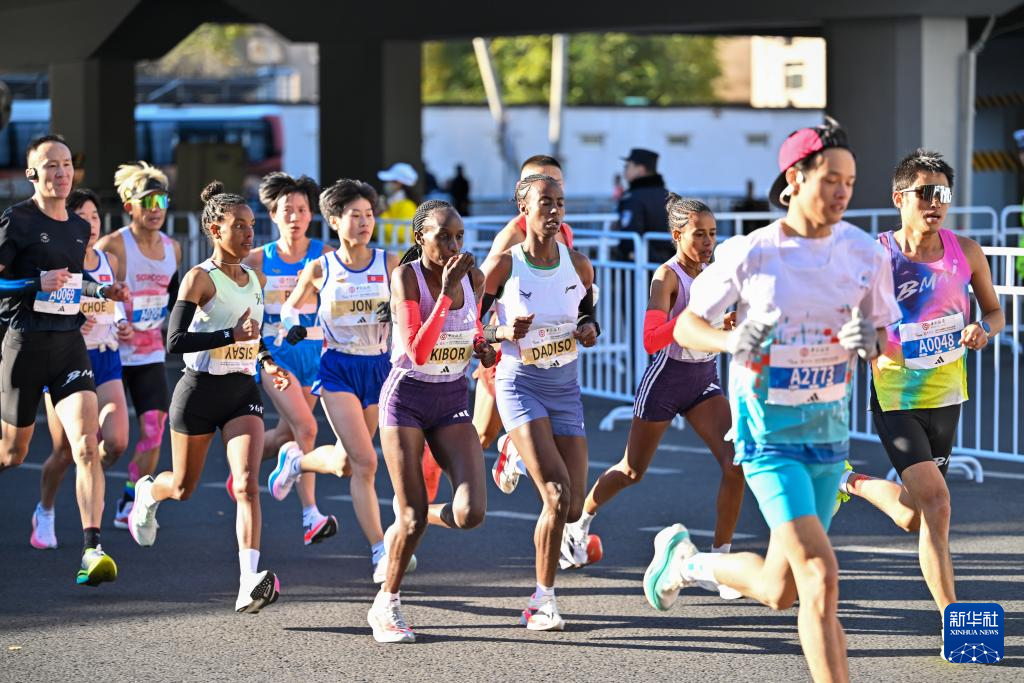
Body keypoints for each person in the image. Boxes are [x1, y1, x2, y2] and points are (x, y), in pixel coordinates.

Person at [641, 120, 900, 682]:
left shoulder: (864, 253)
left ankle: (688, 562)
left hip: (828, 436)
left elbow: (886, 337)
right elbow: (685, 326)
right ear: (795, 179)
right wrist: (733, 341)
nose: (842, 192)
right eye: (831, 180)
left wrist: (872, 341)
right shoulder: (752, 253)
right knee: (820, 576)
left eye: (850, 182)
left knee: (781, 589)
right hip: (768, 436)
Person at [834, 151, 1003, 629]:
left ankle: (848, 482)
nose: (936, 202)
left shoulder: (966, 252)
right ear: (899, 198)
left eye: (943, 193)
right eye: (925, 192)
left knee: (914, 514)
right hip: (896, 399)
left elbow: (994, 312)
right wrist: (873, 344)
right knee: (939, 504)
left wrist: (983, 330)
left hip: (947, 398)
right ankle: (954, 619)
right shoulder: (875, 256)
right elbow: (852, 322)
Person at [560, 196, 745, 586]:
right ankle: (578, 523)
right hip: (666, 380)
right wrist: (688, 323)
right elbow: (650, 339)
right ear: (677, 236)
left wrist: (725, 323)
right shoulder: (666, 277)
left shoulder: (713, 273)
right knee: (631, 470)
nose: (708, 242)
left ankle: (720, 563)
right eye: (699, 234)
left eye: (713, 233)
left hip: (703, 379)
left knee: (736, 464)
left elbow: (711, 324)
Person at [128, 181, 289, 613]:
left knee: (247, 484)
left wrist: (268, 360)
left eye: (251, 225)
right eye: (239, 226)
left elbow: (253, 333)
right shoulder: (200, 278)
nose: (249, 233)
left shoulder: (255, 278)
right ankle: (149, 493)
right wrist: (228, 335)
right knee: (183, 488)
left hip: (242, 391)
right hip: (198, 391)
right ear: (216, 230)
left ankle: (248, 580)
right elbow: (174, 341)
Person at [0, 134, 129, 586]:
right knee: (13, 454)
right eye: (51, 165)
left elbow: (73, 281)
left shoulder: (77, 227)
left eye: (67, 164)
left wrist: (102, 289)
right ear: (32, 173)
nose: (61, 172)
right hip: (25, 345)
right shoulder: (16, 220)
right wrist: (35, 283)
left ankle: (92, 550)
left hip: (69, 345)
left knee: (87, 446)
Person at [265, 178, 408, 583]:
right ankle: (380, 551)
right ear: (333, 220)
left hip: (378, 367)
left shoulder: (390, 264)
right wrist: (293, 325)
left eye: (369, 215)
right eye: (354, 215)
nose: (364, 222)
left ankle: (295, 461)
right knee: (367, 463)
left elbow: (411, 306)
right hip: (338, 368)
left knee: (346, 463)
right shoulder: (322, 268)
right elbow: (290, 308)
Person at [366, 199, 493, 643]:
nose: (454, 246)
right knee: (414, 514)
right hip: (406, 400)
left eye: (459, 237)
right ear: (421, 238)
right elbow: (418, 351)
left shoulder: (473, 278)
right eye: (443, 236)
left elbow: (475, 331)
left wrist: (485, 347)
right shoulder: (407, 277)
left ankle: (405, 522)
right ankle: (387, 604)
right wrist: (444, 294)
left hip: (451, 398)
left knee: (471, 513)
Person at [483, 173, 599, 631]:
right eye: (545, 202)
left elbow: (588, 317)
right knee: (554, 494)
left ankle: (513, 450)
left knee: (573, 507)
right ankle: (542, 600)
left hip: (565, 388)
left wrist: (589, 330)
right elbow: (473, 330)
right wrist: (501, 331)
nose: (554, 211)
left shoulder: (580, 265)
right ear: (524, 210)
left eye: (560, 203)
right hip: (520, 384)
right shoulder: (503, 267)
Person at [237, 172, 338, 546]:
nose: (294, 217)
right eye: (286, 210)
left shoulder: (326, 256)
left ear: (311, 214)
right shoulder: (256, 260)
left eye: (302, 209)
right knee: (307, 429)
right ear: (273, 215)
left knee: (287, 433)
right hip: (275, 354)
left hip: (316, 353)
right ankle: (311, 515)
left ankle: (240, 468)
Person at [31, 188, 133, 549]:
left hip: (105, 358)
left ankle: (90, 478)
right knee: (63, 452)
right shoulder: (57, 261)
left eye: (94, 216)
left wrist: (123, 323)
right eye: (81, 217)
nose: (90, 224)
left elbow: (117, 303)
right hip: (64, 360)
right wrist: (73, 321)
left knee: (116, 442)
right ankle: (45, 510)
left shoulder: (109, 260)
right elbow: (39, 308)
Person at [96, 162, 182, 530]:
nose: (155, 209)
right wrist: (114, 320)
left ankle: (131, 496)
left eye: (161, 200)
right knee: (107, 441)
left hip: (150, 354)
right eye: (147, 202)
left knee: (154, 431)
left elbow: (175, 300)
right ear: (129, 206)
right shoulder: (113, 245)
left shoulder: (174, 249)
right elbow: (91, 292)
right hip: (112, 353)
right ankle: (91, 471)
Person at [475, 155, 574, 456]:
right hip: (509, 352)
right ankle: (428, 476)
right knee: (482, 434)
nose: (550, 191)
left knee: (549, 440)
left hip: (551, 353)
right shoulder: (510, 238)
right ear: (523, 192)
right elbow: (477, 299)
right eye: (541, 184)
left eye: (556, 184)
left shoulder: (564, 231)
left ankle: (515, 451)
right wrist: (494, 336)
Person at [617, 147, 671, 262]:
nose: (625, 171)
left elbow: (630, 238)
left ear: (640, 169)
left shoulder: (633, 198)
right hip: (672, 263)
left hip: (643, 264)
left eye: (628, 166)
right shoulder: (668, 195)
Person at [377, 162, 420, 245]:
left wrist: (382, 212)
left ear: (399, 183)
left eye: (390, 181)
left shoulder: (407, 205)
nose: (386, 183)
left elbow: (402, 236)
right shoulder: (391, 203)